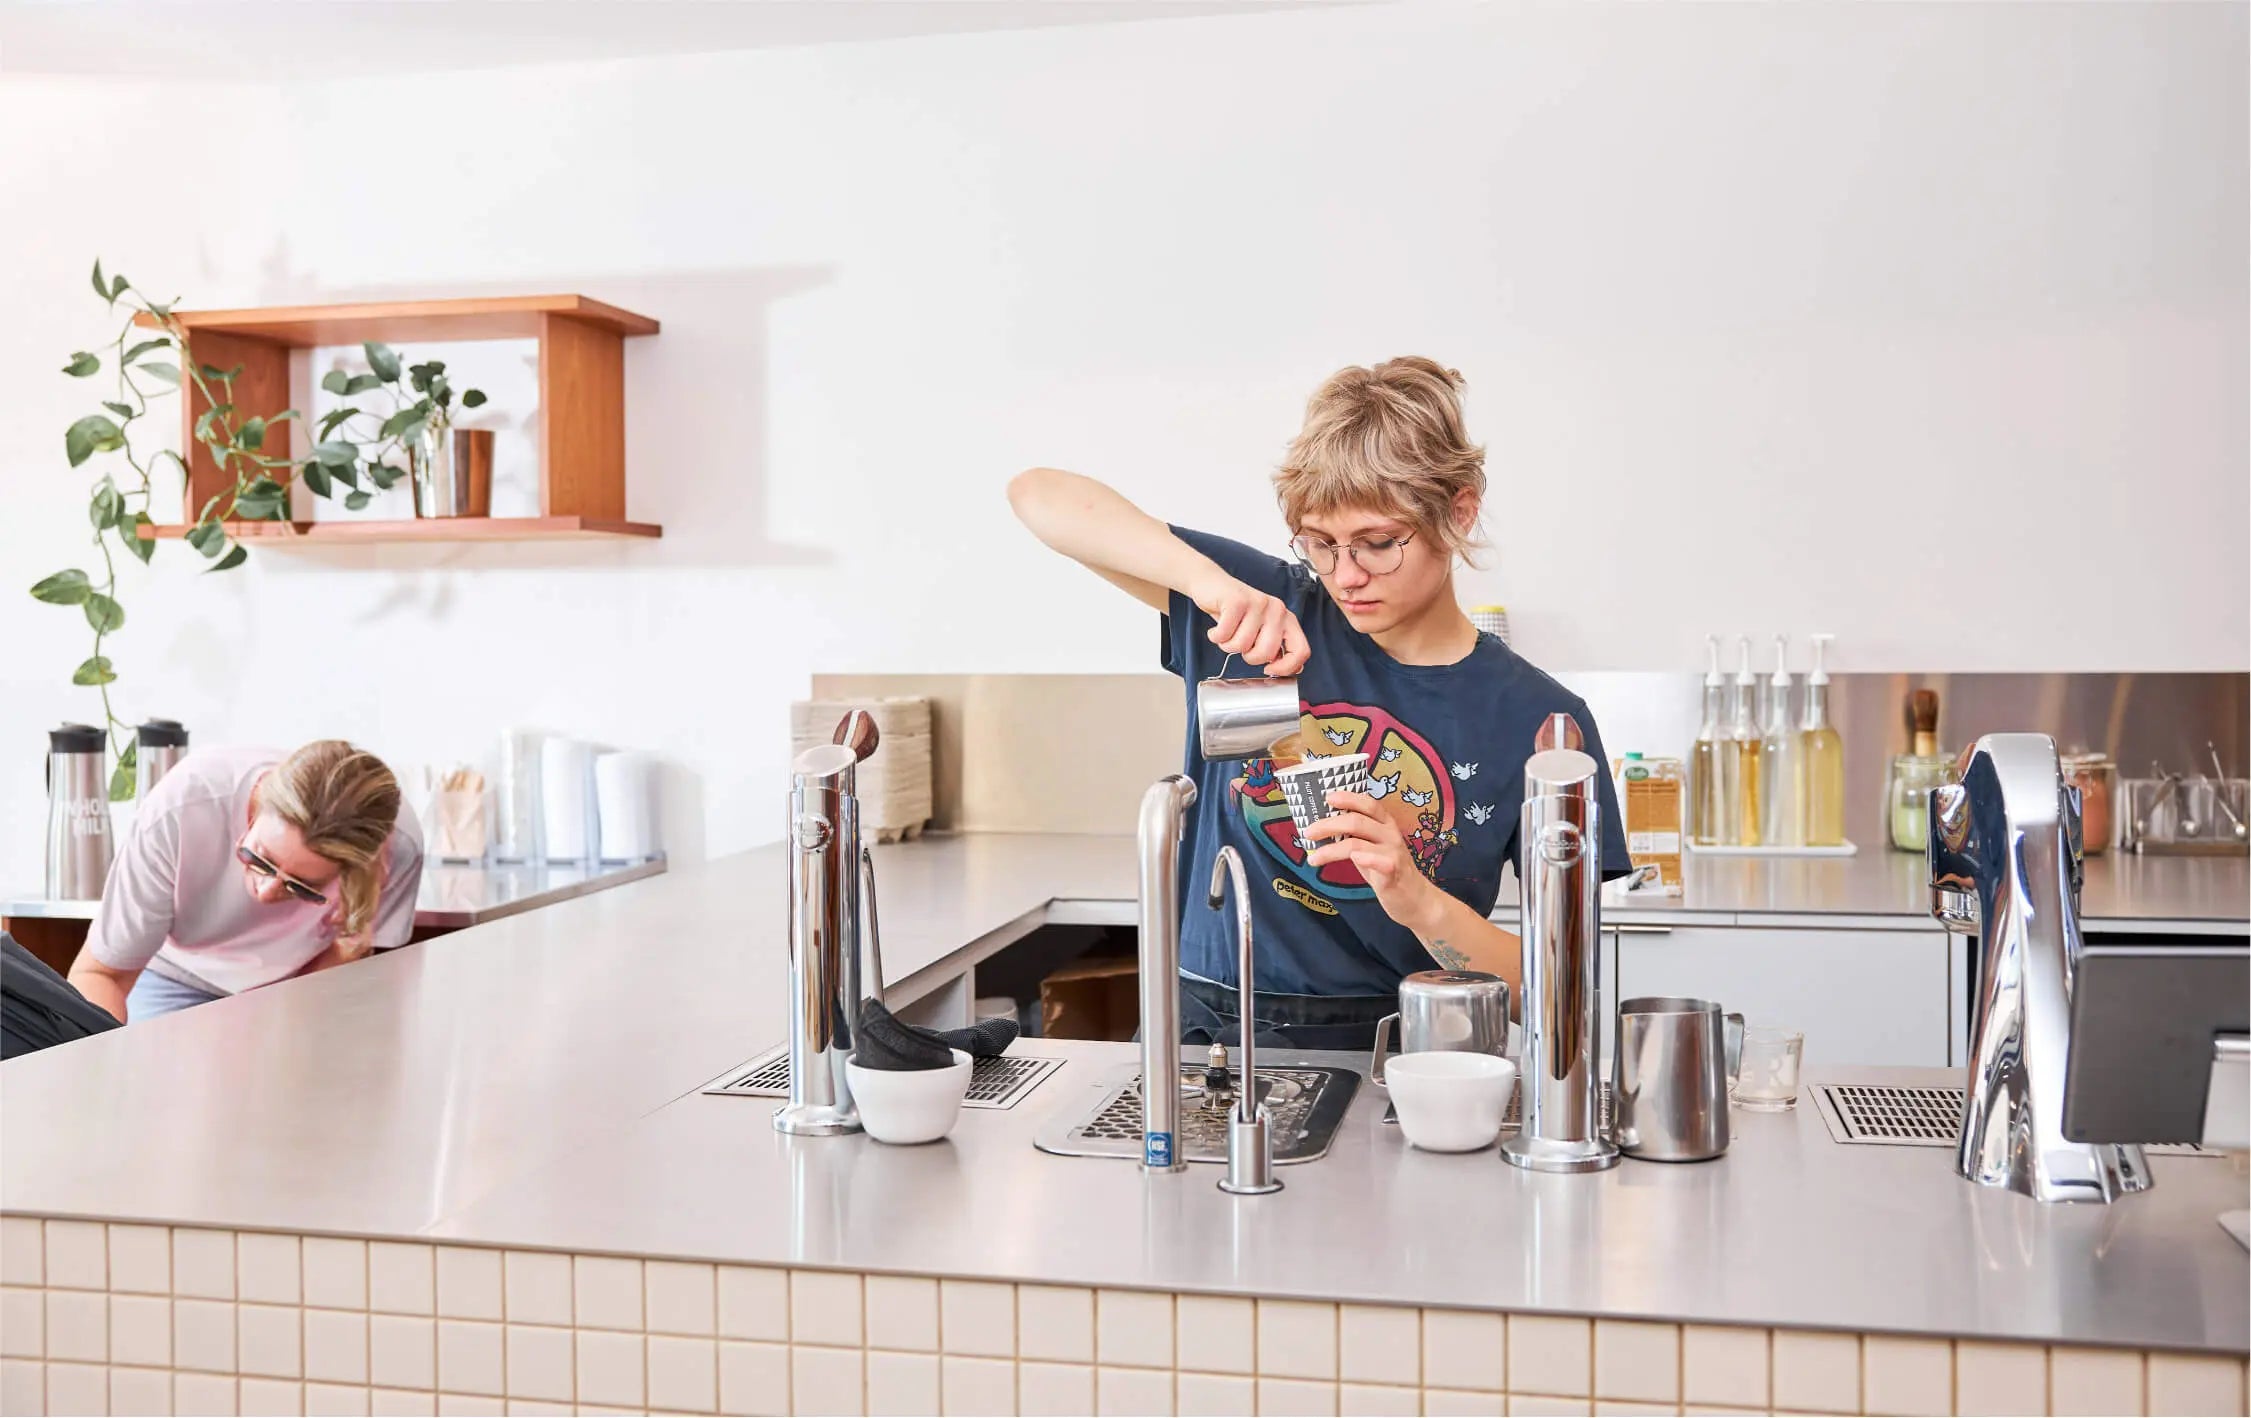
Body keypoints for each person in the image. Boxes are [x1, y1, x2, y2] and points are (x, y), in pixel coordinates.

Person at [1009, 356, 1631, 1050]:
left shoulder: (1541, 722)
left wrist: (1416, 897)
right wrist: (1212, 589)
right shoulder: (1266, 608)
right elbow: (1038, 496)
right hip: (1202, 1026)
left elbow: (1560, 989)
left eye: (1376, 544)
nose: (1346, 576)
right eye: (1320, 545)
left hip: (1402, 1048)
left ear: (1459, 510)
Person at [67, 740, 425, 1022]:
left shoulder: (401, 845)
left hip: (299, 986)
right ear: (255, 808)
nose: (265, 892)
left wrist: (343, 952)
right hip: (178, 976)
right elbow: (103, 975)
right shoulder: (183, 807)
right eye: (258, 858)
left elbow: (361, 990)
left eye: (303, 887)